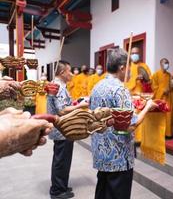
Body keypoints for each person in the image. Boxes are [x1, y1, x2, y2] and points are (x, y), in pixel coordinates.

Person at [90, 48, 157, 199]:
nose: (130, 72)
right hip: (118, 155)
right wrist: (147, 107)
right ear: (121, 68)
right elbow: (130, 125)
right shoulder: (120, 90)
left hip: (101, 151)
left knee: (102, 191)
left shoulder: (97, 87)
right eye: (128, 68)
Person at [47, 60, 89, 199]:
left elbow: (65, 104)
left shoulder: (59, 85)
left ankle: (61, 184)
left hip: (63, 129)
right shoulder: (58, 86)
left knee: (62, 160)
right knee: (61, 160)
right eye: (69, 71)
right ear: (61, 72)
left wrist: (76, 102)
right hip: (62, 129)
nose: (71, 73)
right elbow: (62, 110)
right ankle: (57, 191)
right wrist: (80, 106)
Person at [125, 47, 152, 142]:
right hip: (131, 96)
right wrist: (135, 79)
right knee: (132, 117)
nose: (134, 55)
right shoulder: (127, 67)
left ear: (139, 54)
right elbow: (125, 83)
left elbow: (150, 81)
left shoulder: (144, 66)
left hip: (142, 97)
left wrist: (144, 79)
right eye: (132, 53)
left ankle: (141, 139)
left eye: (136, 53)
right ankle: (133, 138)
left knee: (142, 116)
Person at [152, 58, 173, 137]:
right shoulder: (156, 74)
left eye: (168, 63)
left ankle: (168, 133)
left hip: (168, 98)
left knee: (168, 115)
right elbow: (154, 86)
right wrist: (162, 90)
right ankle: (160, 134)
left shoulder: (169, 75)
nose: (167, 65)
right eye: (165, 63)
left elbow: (172, 86)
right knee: (160, 116)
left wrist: (170, 88)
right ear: (161, 64)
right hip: (160, 98)